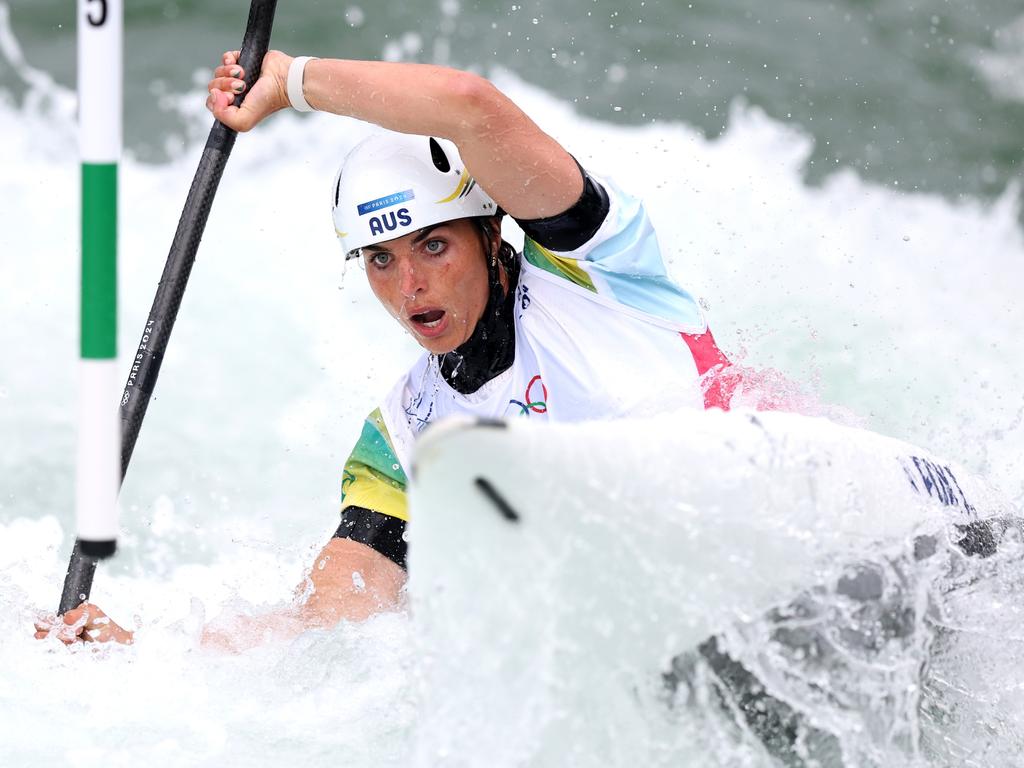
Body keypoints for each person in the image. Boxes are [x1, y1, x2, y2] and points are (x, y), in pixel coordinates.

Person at [35, 50, 734, 648]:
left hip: (757, 519)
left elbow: (468, 104)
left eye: (433, 245)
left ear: (491, 234)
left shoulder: (591, 269)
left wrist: (291, 81)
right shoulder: (402, 437)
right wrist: (138, 657)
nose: (410, 285)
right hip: (645, 616)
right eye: (380, 260)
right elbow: (332, 620)